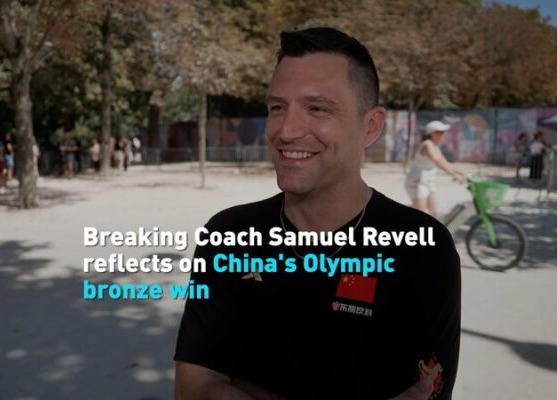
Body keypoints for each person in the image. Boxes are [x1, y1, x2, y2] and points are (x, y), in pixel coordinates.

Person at [175, 27, 461, 400]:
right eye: (277, 108)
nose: (286, 131)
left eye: (317, 108)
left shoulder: (424, 251)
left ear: (370, 126)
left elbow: (428, 392)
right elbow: (193, 389)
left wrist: (242, 389)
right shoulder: (228, 235)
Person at [404, 121, 466, 218]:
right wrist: (454, 175)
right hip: (418, 181)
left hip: (427, 182)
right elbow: (437, 161)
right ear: (433, 134)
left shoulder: (434, 146)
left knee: (433, 213)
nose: (444, 134)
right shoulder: (427, 144)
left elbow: (446, 163)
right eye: (441, 132)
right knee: (422, 213)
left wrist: (463, 173)